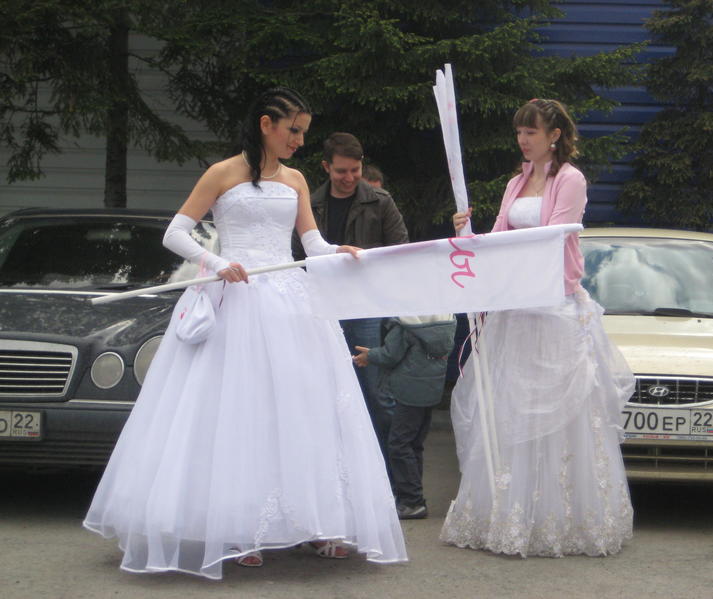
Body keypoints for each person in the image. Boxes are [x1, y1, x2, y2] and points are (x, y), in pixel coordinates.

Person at [83, 87, 407, 579]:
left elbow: (311, 242)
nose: (299, 140)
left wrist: (338, 250)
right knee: (240, 412)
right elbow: (175, 232)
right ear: (265, 125)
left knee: (305, 408)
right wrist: (215, 262)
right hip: (236, 300)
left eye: (303, 131)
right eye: (293, 130)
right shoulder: (222, 173)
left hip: (289, 302)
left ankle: (318, 520)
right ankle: (239, 527)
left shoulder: (296, 179)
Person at [439, 98, 635, 557]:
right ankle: (508, 514)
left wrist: (503, 252)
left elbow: (555, 236)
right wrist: (468, 234)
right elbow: (497, 238)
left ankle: (561, 518)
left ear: (554, 135)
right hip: (517, 308)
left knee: (563, 411)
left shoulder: (571, 179)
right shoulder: (516, 182)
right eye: (520, 132)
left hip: (553, 305)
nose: (523, 140)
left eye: (532, 132)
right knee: (512, 407)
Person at [292, 133, 408, 473]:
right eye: (341, 171)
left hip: (366, 307)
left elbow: (400, 250)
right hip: (323, 306)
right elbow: (296, 256)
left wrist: (363, 266)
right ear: (326, 167)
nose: (349, 177)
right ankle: (338, 473)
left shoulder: (380, 201)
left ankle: (386, 476)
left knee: (376, 394)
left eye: (355, 170)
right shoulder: (310, 203)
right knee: (326, 392)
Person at [352, 313, 457, 520]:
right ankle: (413, 498)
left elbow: (390, 355)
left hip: (407, 392)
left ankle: (411, 501)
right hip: (430, 390)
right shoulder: (446, 321)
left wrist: (369, 356)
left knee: (399, 445)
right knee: (414, 444)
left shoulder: (406, 325)